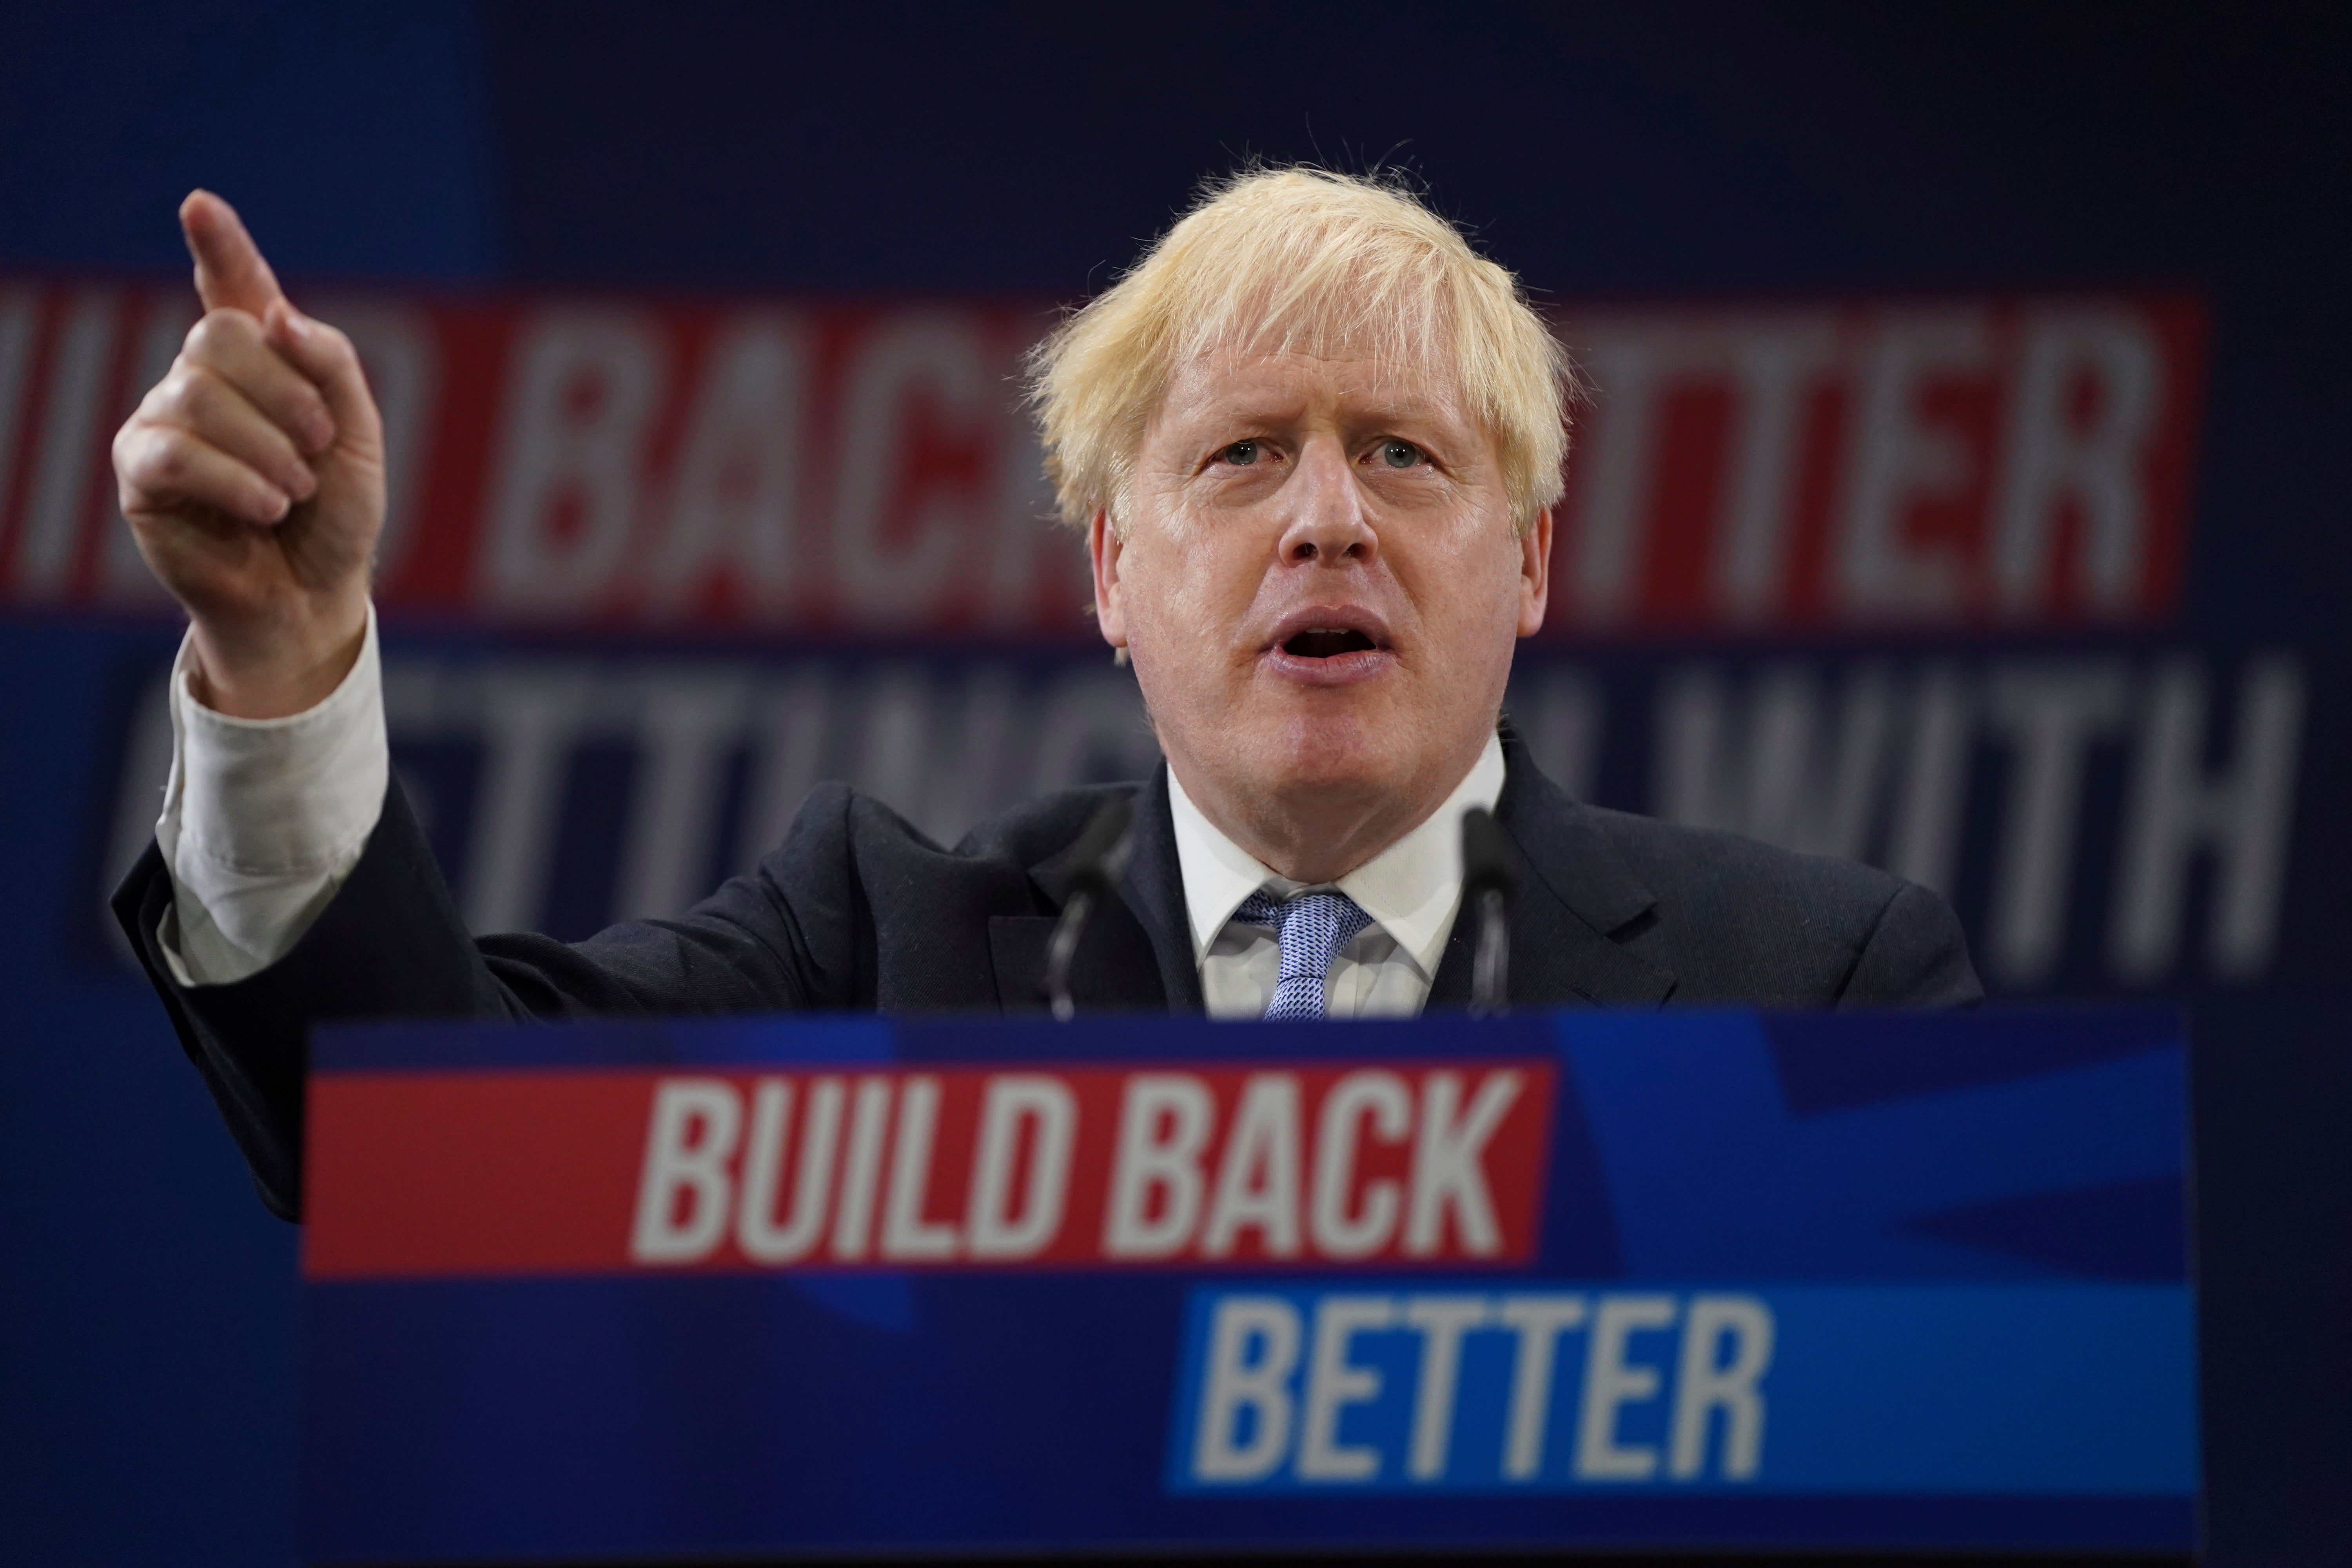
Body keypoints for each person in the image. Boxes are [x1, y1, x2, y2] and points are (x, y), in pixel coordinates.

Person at [111, 170, 1980, 1220]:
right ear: (1108, 571)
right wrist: (283, 660)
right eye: (1246, 456)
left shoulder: (1815, 988)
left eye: (1404, 456)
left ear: (1537, 560)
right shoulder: (876, 944)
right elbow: (433, 1152)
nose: (1327, 519)